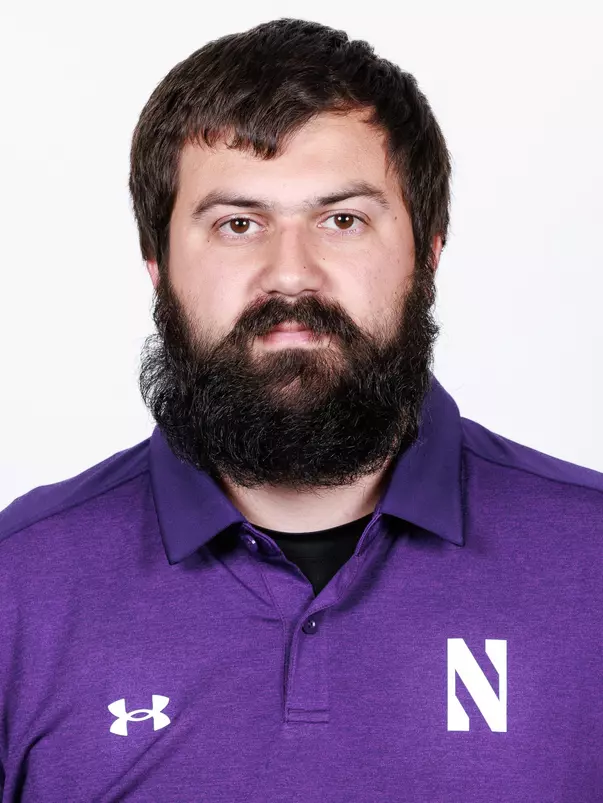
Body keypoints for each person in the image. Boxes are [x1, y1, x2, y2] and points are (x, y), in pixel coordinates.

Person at [0, 16, 601, 803]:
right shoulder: (19, 585)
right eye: (237, 224)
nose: (291, 277)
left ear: (427, 253)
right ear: (157, 264)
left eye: (341, 220)